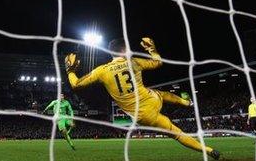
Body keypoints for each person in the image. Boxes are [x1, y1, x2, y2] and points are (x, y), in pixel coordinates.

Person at [65, 37, 220, 159]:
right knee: (163, 94)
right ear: (125, 50)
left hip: (143, 115)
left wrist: (70, 70)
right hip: (151, 99)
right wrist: (152, 49)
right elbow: (158, 62)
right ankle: (186, 102)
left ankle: (208, 150)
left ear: (111, 53)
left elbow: (76, 84)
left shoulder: (102, 71)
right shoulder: (134, 62)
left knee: (177, 133)